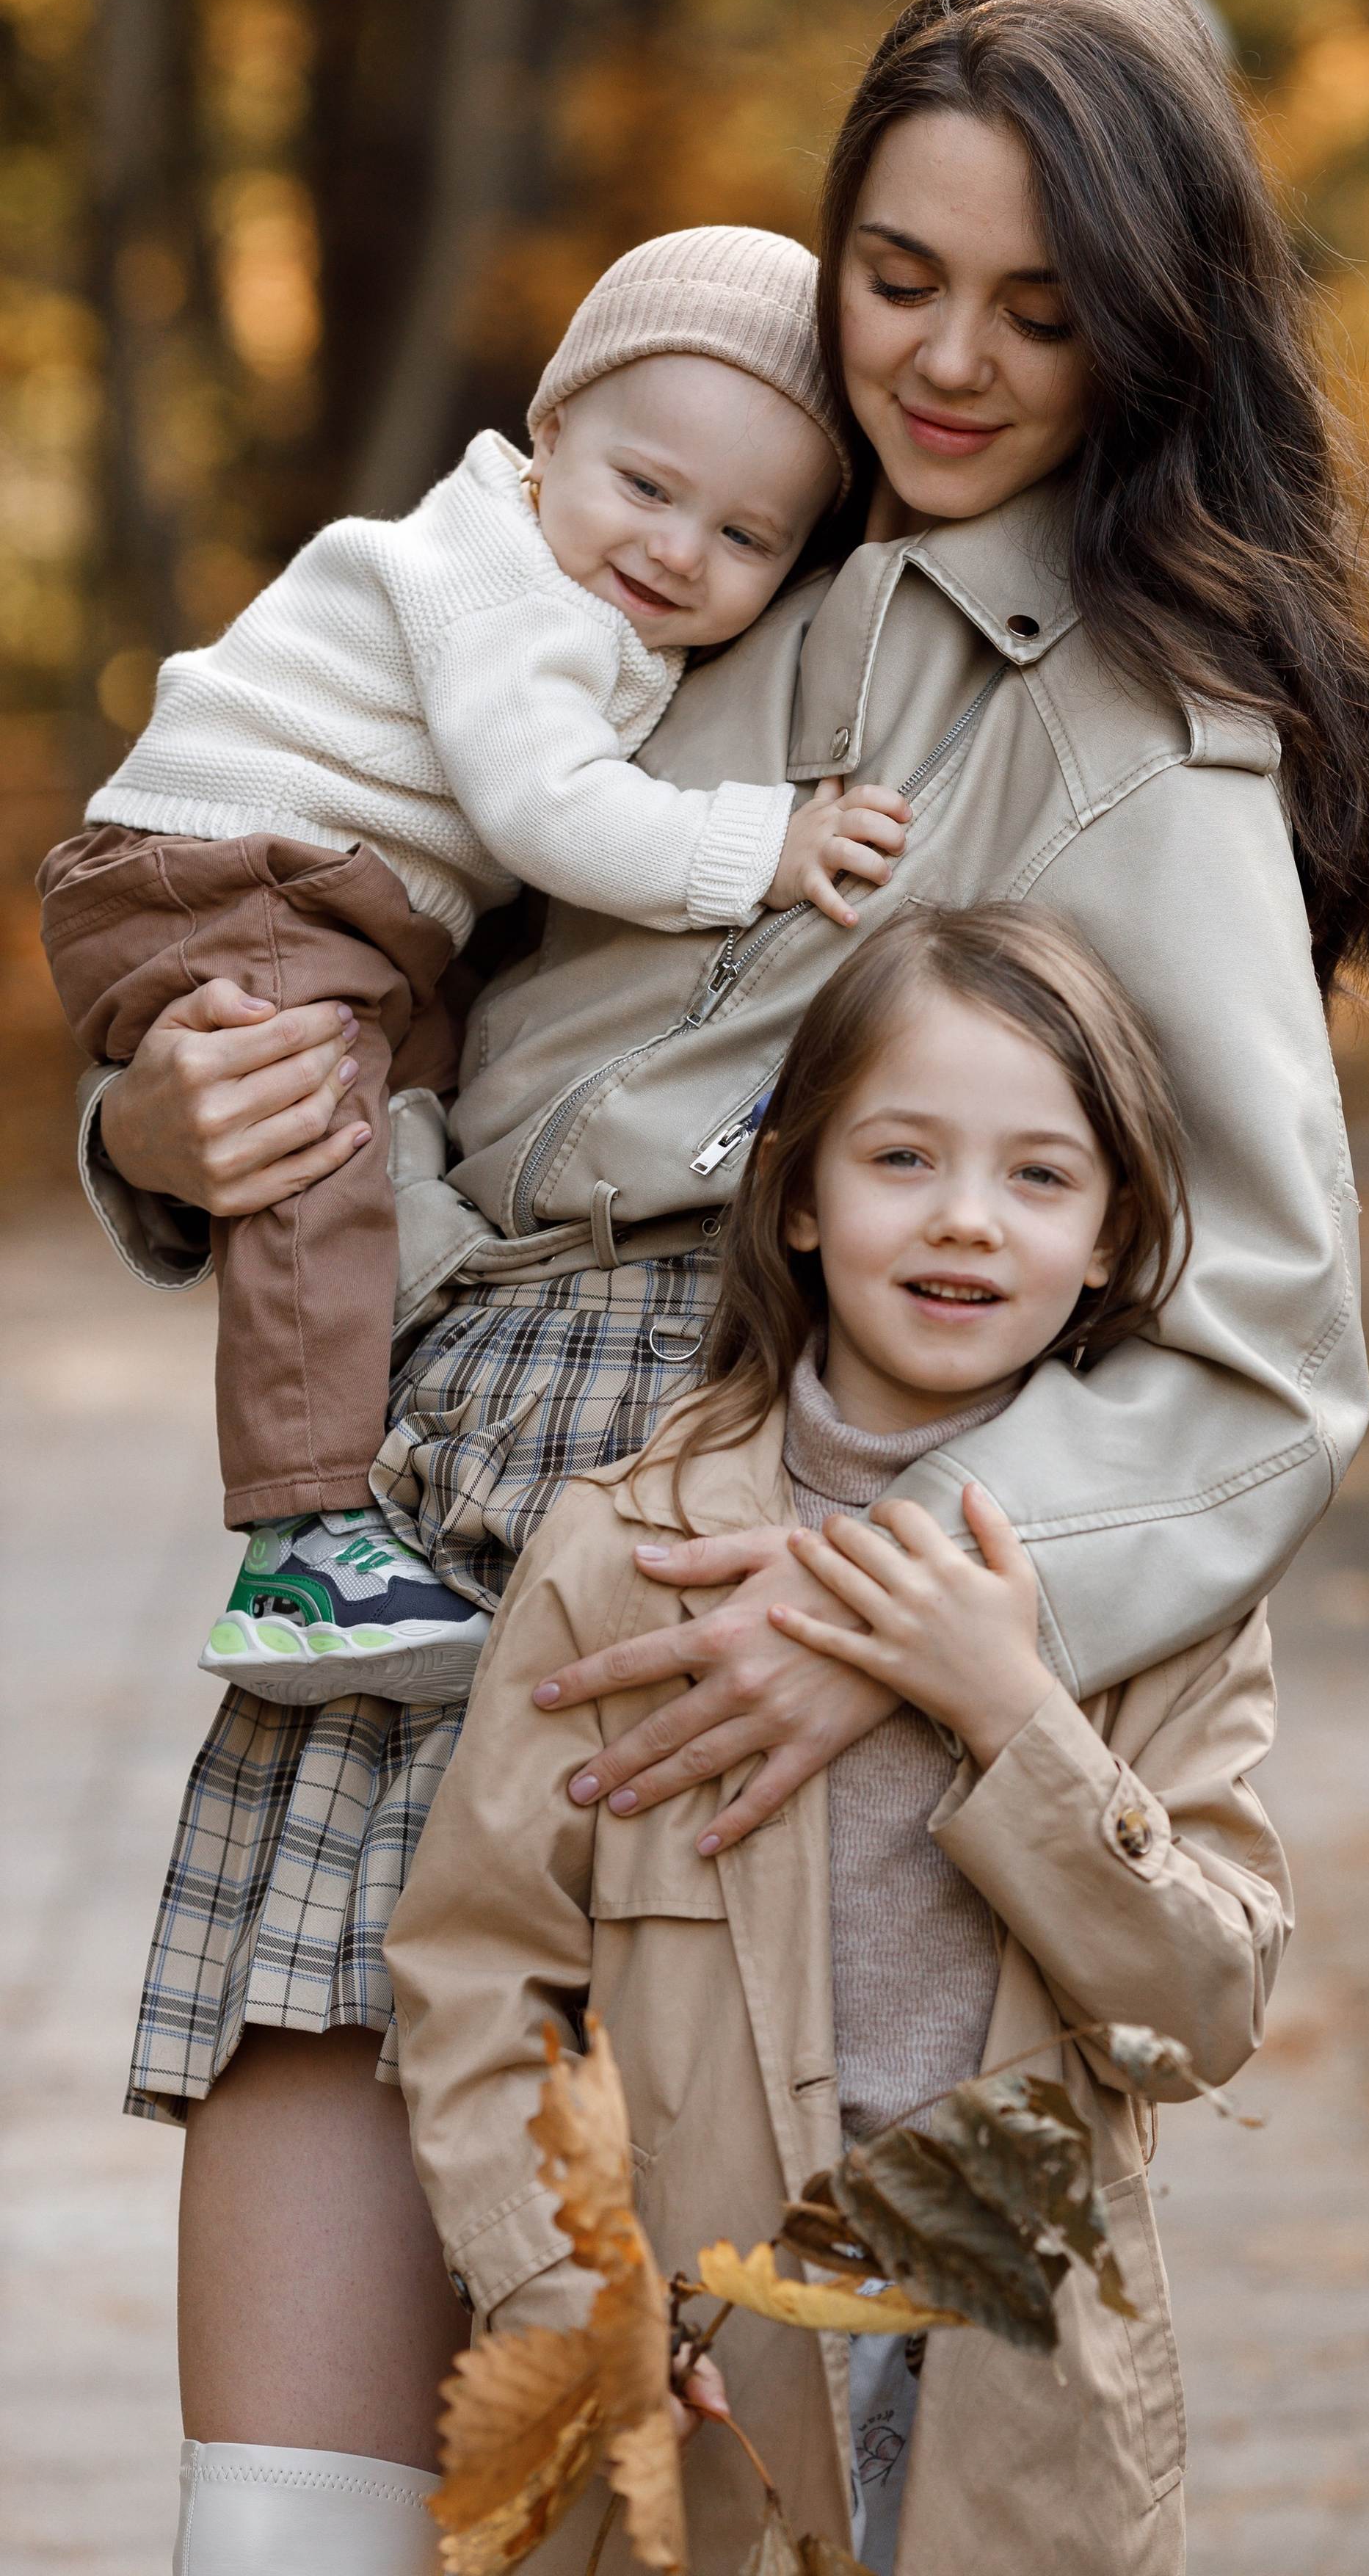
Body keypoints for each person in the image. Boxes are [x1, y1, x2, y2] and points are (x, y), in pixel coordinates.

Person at [81, 0, 1369, 2570]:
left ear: (1150, 329)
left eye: (1038, 312)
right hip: (427, 1501)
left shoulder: (1138, 723)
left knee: (665, 2479)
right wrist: (169, 1114)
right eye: (899, 277)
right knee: (291, 2499)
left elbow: (1266, 1347)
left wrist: (876, 1600)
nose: (943, 362)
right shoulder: (683, 549)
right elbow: (373, 932)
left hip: (732, 1579)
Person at [388, 905, 1293, 2575]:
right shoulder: (622, 1552)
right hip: (695, 2351)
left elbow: (1208, 2006)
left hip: (1014, 2368)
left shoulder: (1167, 1592)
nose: (965, 1221)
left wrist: (1012, 1710)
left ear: (1110, 1236)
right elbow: (472, 1972)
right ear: (798, 1196)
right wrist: (564, 2295)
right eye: (901, 1157)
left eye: (1039, 1176)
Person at [37, 226, 907, 1704]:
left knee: (407, 1115)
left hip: (338, 898)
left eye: (745, 538)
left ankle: (376, 1457)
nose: (676, 550)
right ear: (549, 433)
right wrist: (758, 847)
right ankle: (300, 1549)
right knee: (321, 1138)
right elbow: (547, 812)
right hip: (232, 869)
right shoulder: (505, 591)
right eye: (644, 487)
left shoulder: (572, 579)